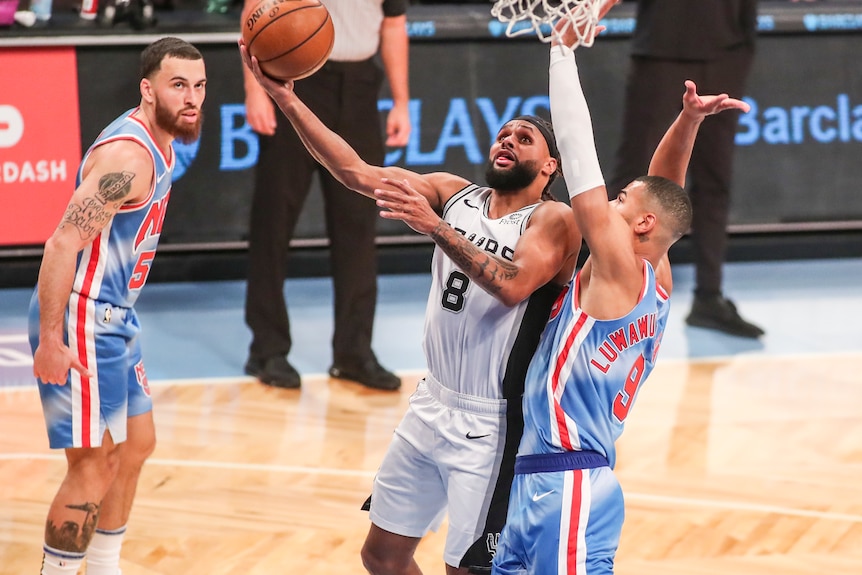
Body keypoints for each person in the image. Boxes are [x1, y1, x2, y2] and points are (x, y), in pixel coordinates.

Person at [238, 35, 583, 575]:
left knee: (465, 569)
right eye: (504, 133)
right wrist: (286, 99)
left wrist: (434, 228)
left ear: (550, 167)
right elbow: (354, 171)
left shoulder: (553, 220)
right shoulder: (453, 191)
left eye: (526, 137)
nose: (509, 140)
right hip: (431, 404)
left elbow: (514, 285)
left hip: (491, 424)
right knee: (382, 555)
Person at [490, 20, 750, 575]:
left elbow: (581, 158)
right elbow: (664, 188)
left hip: (571, 485)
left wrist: (562, 52)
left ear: (640, 224)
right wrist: (688, 121)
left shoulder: (618, 268)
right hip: (544, 479)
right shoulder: (651, 274)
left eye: (621, 199)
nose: (610, 201)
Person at [28, 37, 206, 575]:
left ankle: (105, 566)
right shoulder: (127, 158)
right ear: (147, 91)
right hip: (81, 315)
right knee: (93, 465)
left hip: (115, 314)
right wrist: (53, 340)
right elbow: (61, 243)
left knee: (136, 447)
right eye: (179, 85)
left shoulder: (166, 137)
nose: (192, 98)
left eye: (199, 86)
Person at [241, 0, 412, 391]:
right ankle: (267, 349)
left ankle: (354, 353)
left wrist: (401, 101)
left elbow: (393, 23)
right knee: (273, 222)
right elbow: (256, 10)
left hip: (359, 88)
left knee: (359, 226)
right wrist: (255, 89)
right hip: (295, 79)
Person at [608, 0, 763, 338]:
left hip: (728, 47)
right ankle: (601, 288)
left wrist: (744, 41)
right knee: (632, 180)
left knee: (714, 181)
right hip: (663, 44)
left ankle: (709, 297)